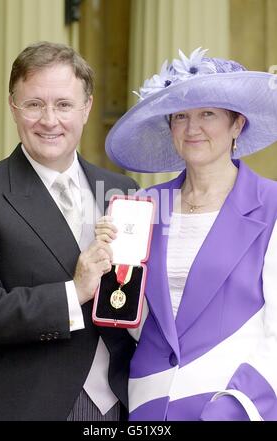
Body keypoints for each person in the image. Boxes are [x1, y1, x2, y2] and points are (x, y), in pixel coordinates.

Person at [96, 47, 277, 420]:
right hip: (149, 403)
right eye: (181, 116)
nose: (193, 129)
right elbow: (132, 318)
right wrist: (108, 267)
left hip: (232, 404)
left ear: (237, 124)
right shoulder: (141, 205)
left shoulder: (271, 204)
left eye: (208, 114)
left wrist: (235, 408)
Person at [0, 41, 138, 421]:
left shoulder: (124, 190)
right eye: (34, 104)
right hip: (28, 405)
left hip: (122, 402)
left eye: (64, 104)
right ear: (13, 108)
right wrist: (74, 292)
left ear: (87, 108)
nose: (50, 120)